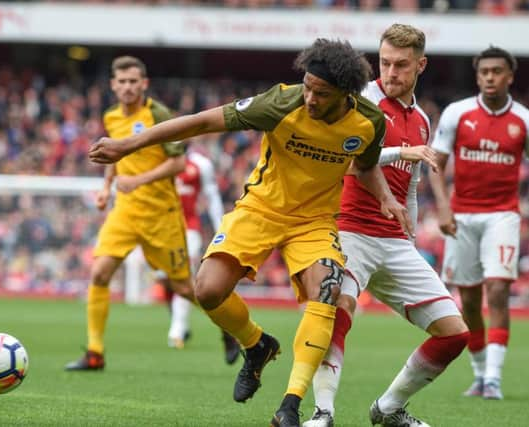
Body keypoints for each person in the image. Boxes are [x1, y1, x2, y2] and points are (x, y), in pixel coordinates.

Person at [89, 38, 412, 427]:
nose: (309, 97)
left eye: (320, 93)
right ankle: (256, 344)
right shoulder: (281, 103)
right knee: (206, 290)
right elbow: (203, 121)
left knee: (326, 288)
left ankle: (290, 405)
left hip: (314, 222)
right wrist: (129, 144)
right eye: (307, 86)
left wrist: (387, 198)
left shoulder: (368, 122)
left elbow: (366, 163)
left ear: (345, 94)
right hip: (260, 209)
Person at [303, 24, 470, 427]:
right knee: (337, 311)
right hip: (348, 229)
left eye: (401, 65)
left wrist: (409, 231)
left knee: (454, 334)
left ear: (421, 65)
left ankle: (389, 408)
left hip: (394, 240)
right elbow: (346, 158)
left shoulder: (424, 121)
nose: (390, 72)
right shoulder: (358, 100)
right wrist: (401, 150)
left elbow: (410, 184)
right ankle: (322, 412)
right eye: (384, 63)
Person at [65, 56, 228, 371]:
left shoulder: (158, 114)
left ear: (144, 84)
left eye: (132, 81)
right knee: (99, 274)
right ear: (113, 85)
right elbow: (116, 155)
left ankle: (231, 329)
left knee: (183, 288)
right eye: (121, 82)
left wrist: (138, 180)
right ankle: (95, 353)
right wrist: (106, 186)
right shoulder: (111, 116)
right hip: (125, 213)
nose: (127, 87)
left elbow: (179, 164)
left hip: (161, 215)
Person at [429, 46, 529, 401]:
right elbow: (435, 163)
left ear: (509, 76)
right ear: (477, 76)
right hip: (461, 216)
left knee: (499, 290)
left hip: (502, 214)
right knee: (469, 300)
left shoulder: (523, 120)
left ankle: (494, 379)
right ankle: (479, 372)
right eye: (484, 71)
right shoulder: (458, 114)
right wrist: (442, 207)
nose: (490, 77)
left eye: (497, 71)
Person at [117, 147, 240, 363]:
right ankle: (214, 324)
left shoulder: (200, 165)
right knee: (167, 281)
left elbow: (210, 196)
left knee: (184, 277)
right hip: (160, 230)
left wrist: (221, 225)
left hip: (188, 229)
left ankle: (178, 330)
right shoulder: (157, 161)